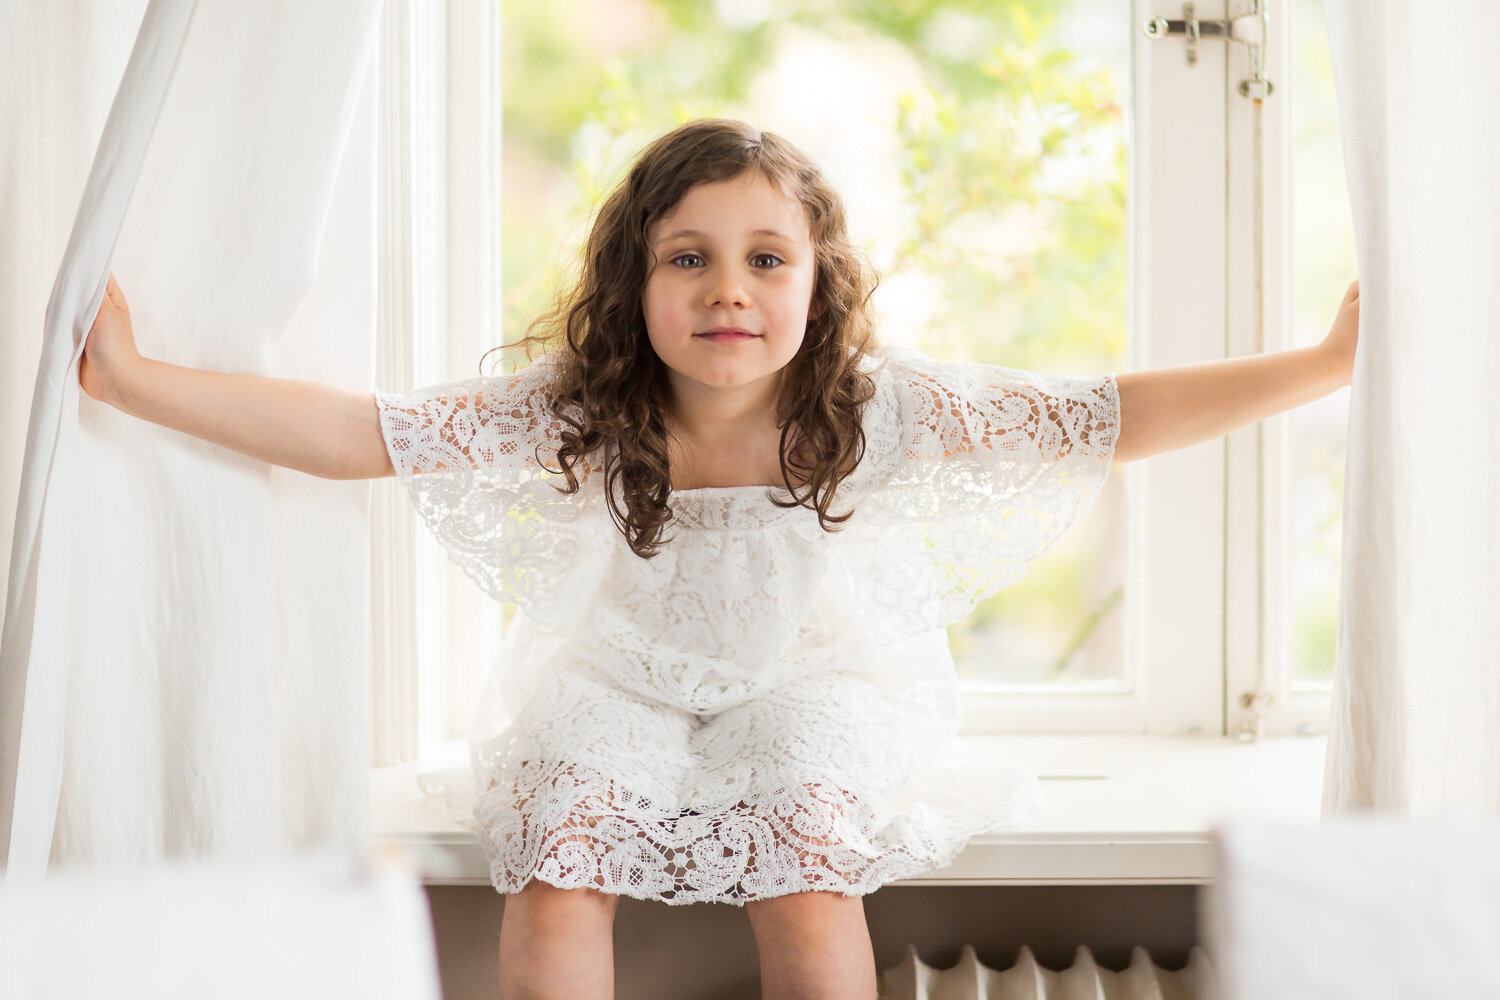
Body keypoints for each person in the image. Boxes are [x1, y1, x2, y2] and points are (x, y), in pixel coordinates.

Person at [78, 117, 1359, 1000]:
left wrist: (1322, 363)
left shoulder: (876, 409)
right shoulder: (585, 403)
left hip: (811, 683)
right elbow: (367, 435)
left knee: (805, 860)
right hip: (621, 677)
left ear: (818, 283)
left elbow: (1107, 412)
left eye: (765, 260)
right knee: (560, 856)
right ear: (635, 282)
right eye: (686, 258)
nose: (727, 290)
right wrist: (134, 381)